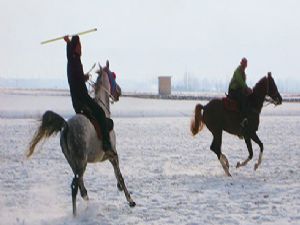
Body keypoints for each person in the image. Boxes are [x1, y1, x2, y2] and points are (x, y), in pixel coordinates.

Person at [63, 35, 113, 152]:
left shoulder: (73, 59)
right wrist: (84, 77)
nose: (81, 48)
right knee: (100, 113)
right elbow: (77, 77)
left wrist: (68, 42)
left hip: (77, 99)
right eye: (79, 45)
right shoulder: (74, 61)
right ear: (75, 48)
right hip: (82, 99)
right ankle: (106, 143)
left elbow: (76, 76)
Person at [228, 57, 252, 127]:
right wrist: (247, 88)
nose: (245, 65)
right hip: (233, 90)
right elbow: (241, 82)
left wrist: (247, 89)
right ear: (241, 63)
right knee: (243, 99)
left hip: (239, 90)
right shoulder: (238, 71)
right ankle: (242, 119)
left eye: (246, 63)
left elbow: (243, 83)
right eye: (244, 63)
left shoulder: (243, 72)